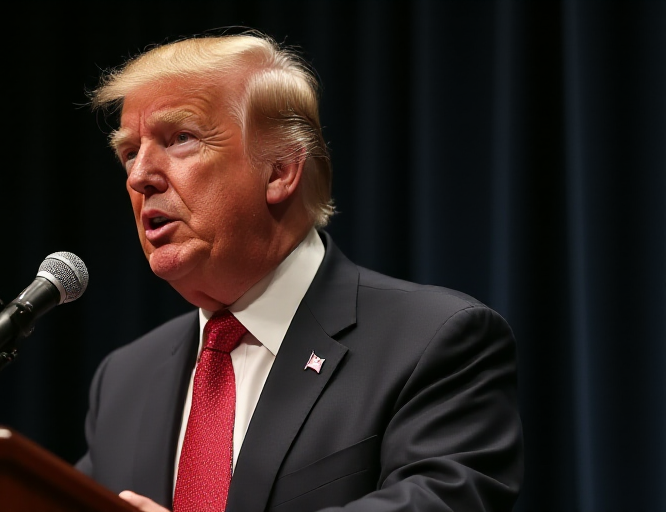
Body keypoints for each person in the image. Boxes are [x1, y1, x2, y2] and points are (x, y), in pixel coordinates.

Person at [76, 32, 523, 512]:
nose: (140, 176)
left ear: (280, 170)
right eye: (128, 152)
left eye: (180, 138)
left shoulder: (434, 341)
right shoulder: (124, 380)